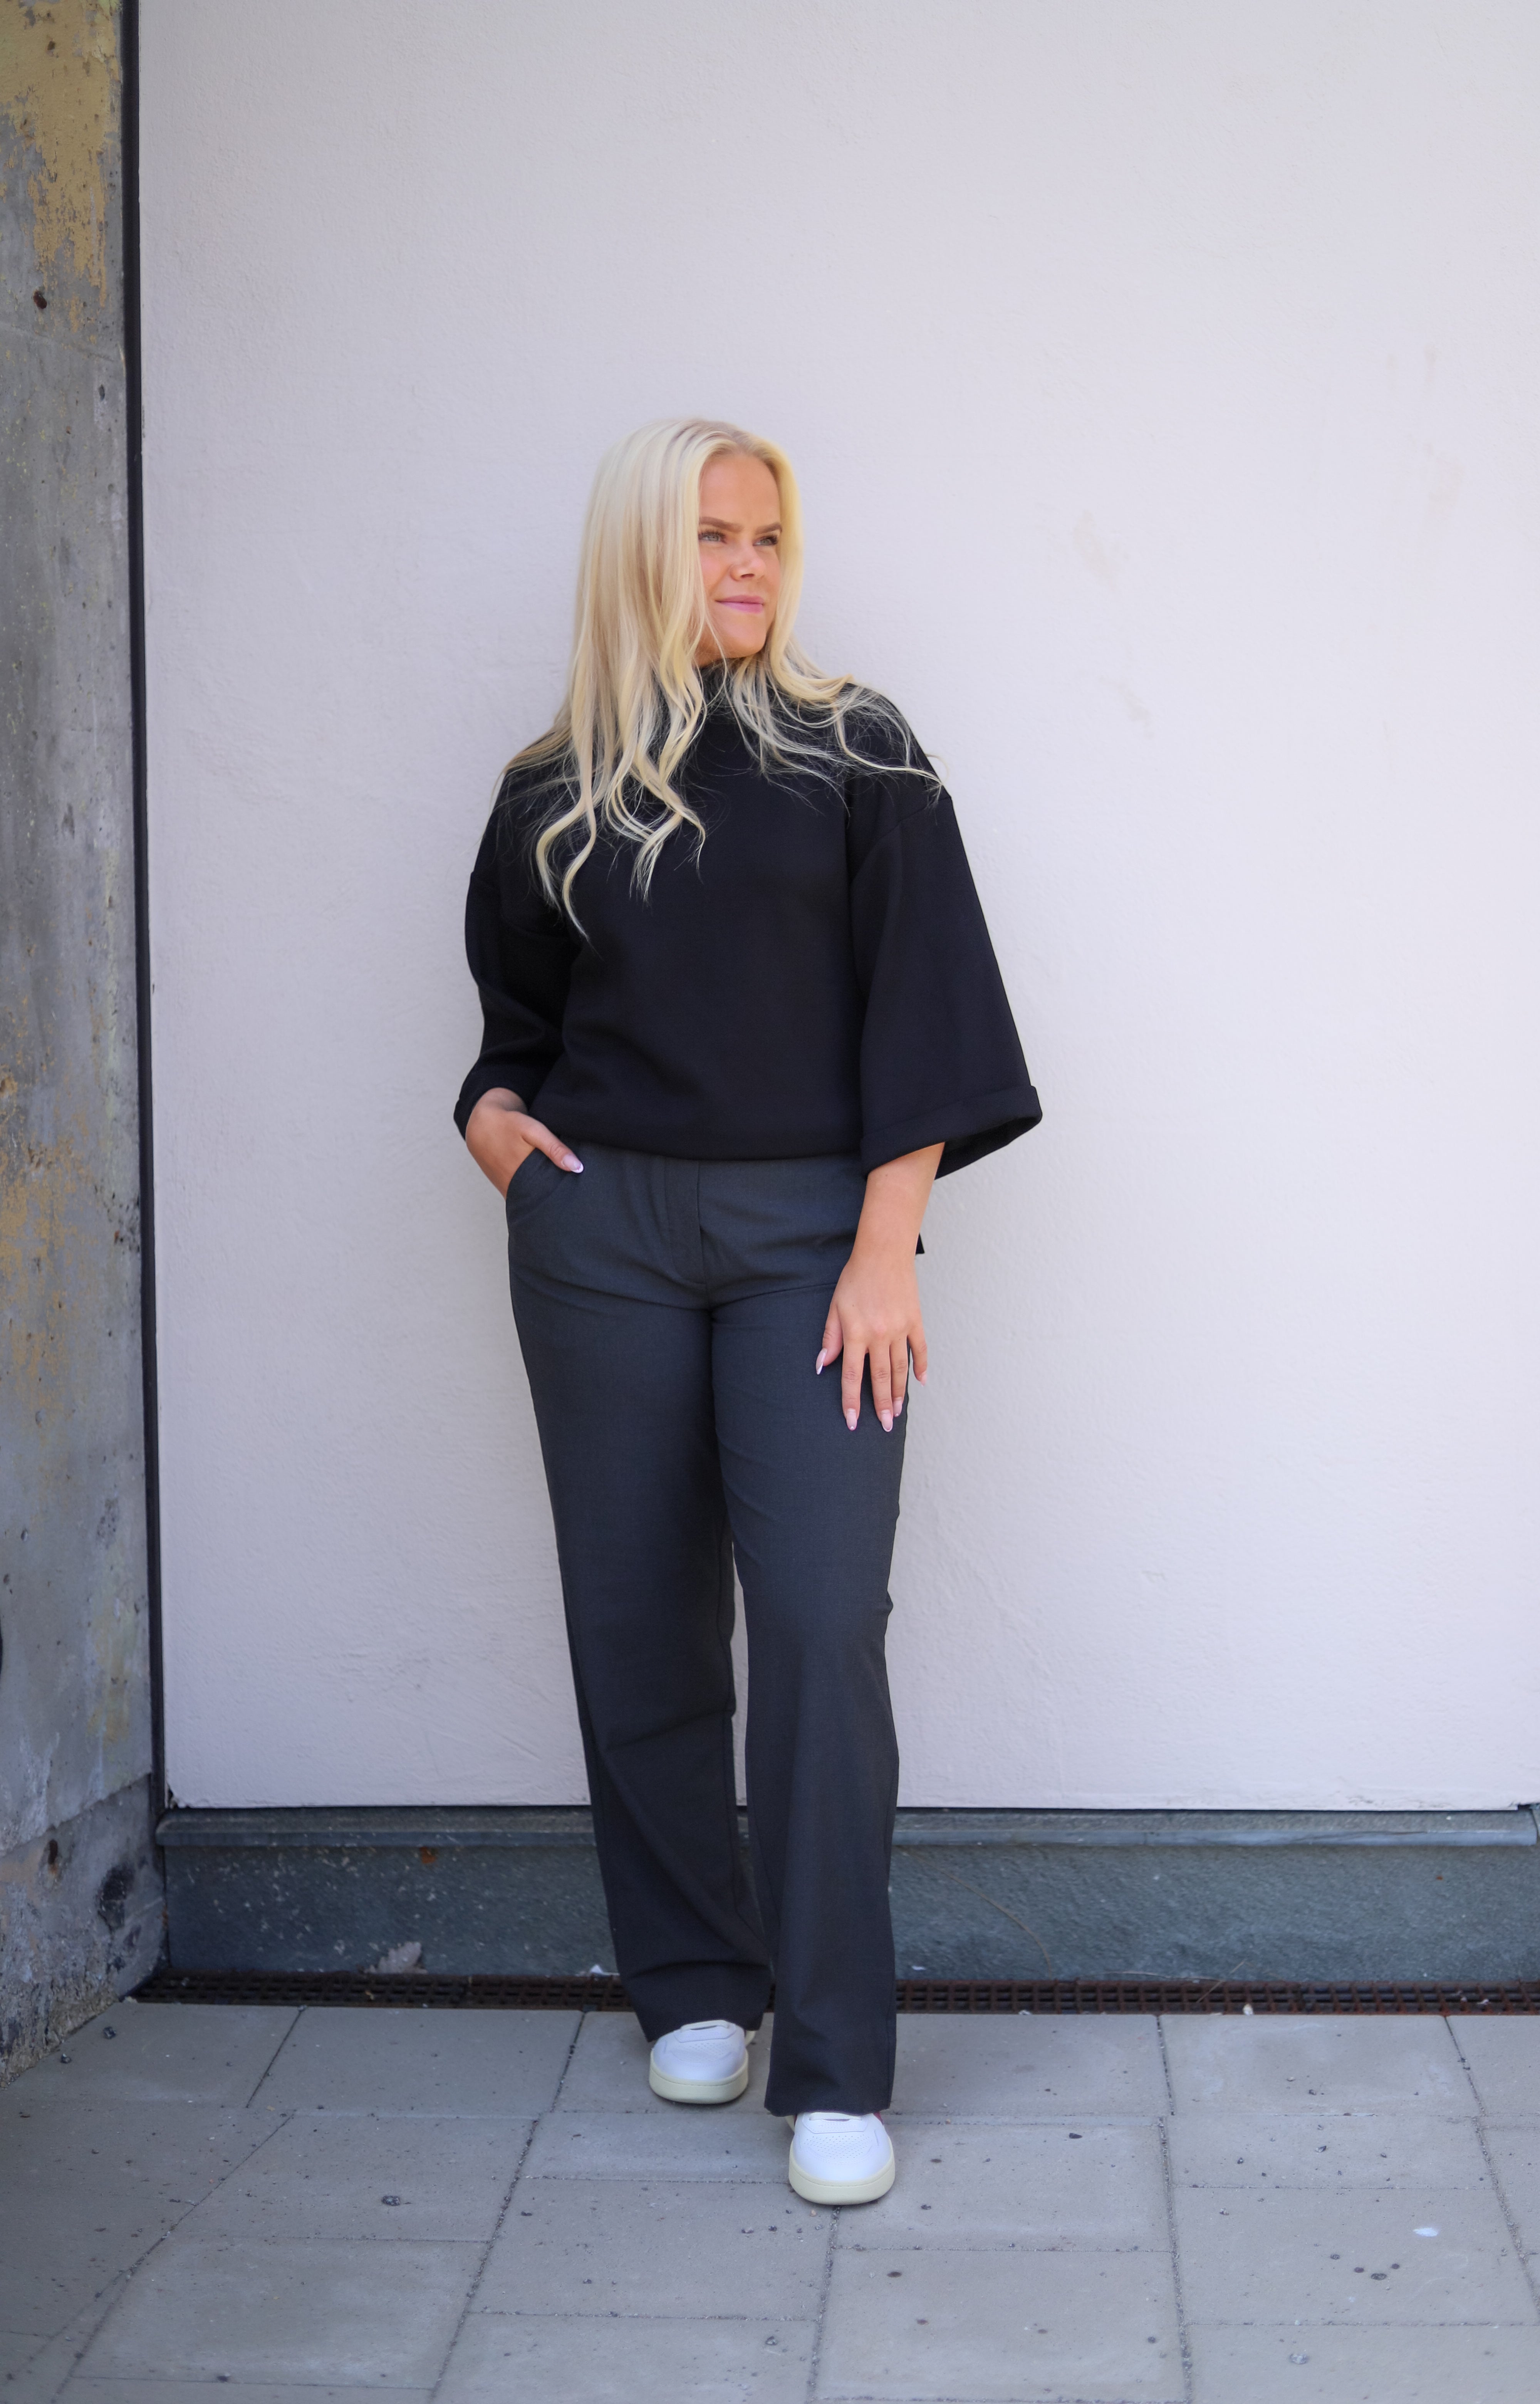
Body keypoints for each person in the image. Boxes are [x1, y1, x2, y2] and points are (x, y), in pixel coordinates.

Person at [456, 418, 1039, 2205]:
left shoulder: (859, 751)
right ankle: (694, 1983)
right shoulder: (553, 786)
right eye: (712, 534)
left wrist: (884, 1246)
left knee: (814, 1622)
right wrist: (496, 1135)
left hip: (814, 1242)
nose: (745, 566)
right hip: (601, 1235)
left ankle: (837, 2061)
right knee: (636, 1616)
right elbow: (512, 1031)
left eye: (768, 537)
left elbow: (929, 1008)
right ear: (641, 550)